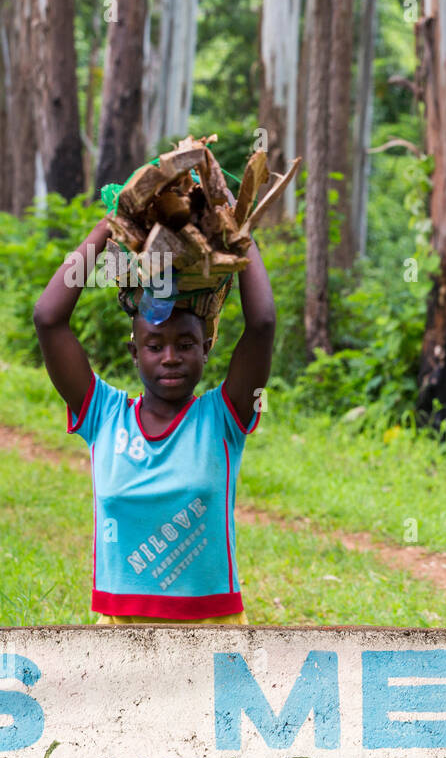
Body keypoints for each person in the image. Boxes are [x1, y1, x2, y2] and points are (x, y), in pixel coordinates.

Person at [33, 216, 275, 624]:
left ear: (206, 348)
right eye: (154, 345)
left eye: (185, 344)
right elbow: (47, 318)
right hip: (120, 636)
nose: (170, 357)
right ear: (134, 351)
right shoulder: (104, 416)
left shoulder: (222, 418)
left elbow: (263, 323)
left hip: (214, 635)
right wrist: (108, 226)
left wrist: (238, 232)